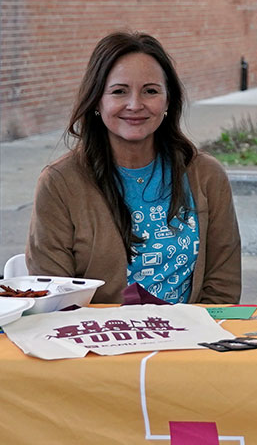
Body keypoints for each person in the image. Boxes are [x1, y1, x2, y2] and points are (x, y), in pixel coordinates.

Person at [28, 32, 242, 304]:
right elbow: (55, 298)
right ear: (97, 100)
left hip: (192, 338)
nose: (135, 105)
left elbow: (224, 287)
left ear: (168, 101)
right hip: (99, 340)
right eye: (119, 91)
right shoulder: (59, 183)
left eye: (150, 91)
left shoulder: (206, 174)